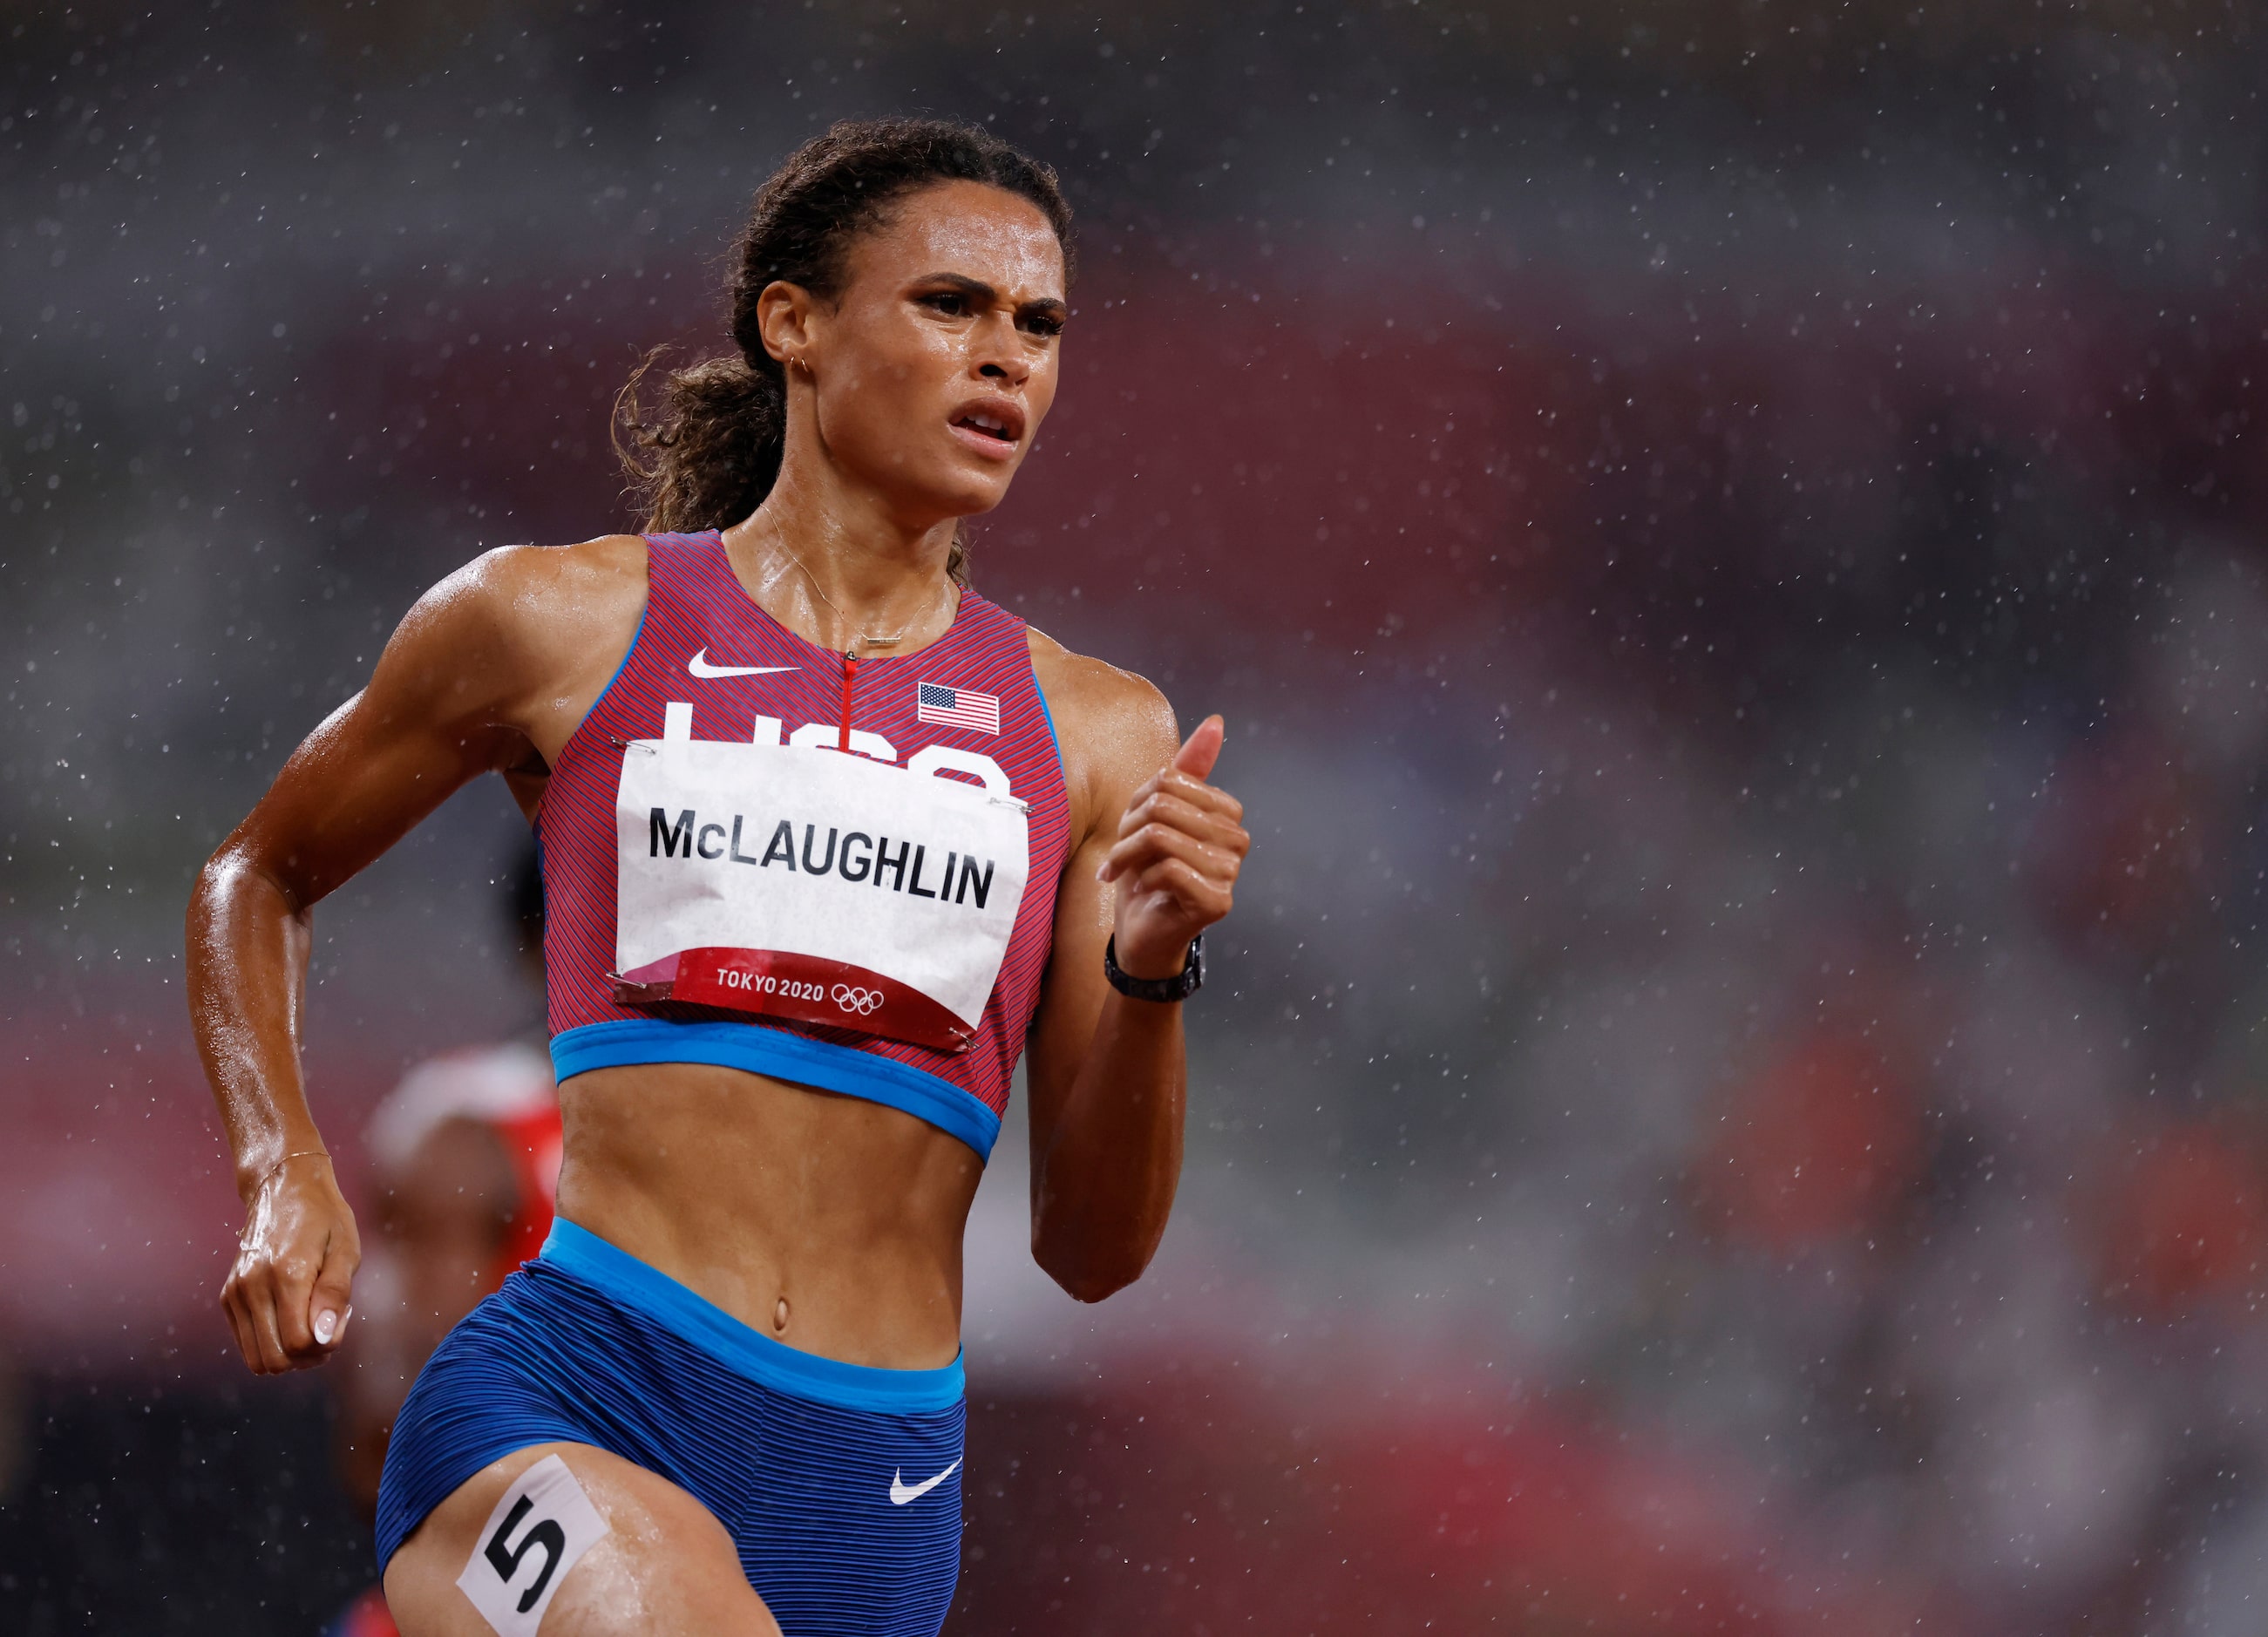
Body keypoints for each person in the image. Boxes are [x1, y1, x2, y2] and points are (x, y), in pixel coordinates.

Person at [188, 118, 1249, 1637]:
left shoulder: (1094, 728)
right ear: (792, 323)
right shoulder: (556, 618)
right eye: (951, 304)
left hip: (871, 1482)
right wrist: (278, 1160)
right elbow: (259, 869)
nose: (1006, 356)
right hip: (577, 1383)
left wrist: (1151, 968)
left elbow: (1090, 1251)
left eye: (1040, 325)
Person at [324, 854, 561, 1637]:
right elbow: (389, 1408)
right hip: (505, 1580)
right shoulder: (470, 1119)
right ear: (540, 939)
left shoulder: (710, 1128)